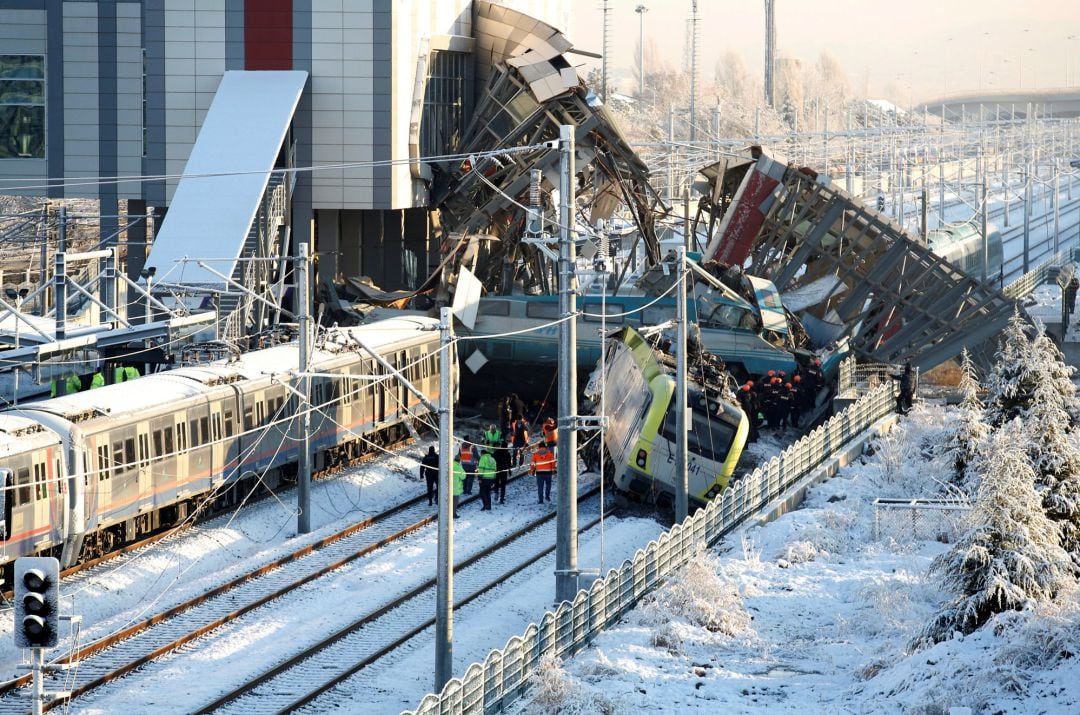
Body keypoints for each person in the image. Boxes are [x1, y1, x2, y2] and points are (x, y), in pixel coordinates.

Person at [493, 438, 511, 504]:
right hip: (504, 470)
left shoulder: (496, 452)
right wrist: (509, 471)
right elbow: (509, 463)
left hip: (497, 470)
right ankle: (502, 499)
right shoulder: (507, 453)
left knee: (496, 483)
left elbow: (493, 460)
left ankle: (496, 493)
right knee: (503, 485)